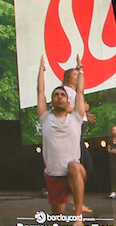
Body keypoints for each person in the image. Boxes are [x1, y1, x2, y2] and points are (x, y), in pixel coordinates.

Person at [38, 69, 91, 218]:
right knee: (58, 218)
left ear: (68, 102)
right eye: (56, 95)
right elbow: (40, 91)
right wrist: (41, 71)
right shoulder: (45, 118)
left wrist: (81, 70)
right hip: (54, 174)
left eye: (63, 95)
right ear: (52, 102)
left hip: (73, 172)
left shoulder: (76, 118)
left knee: (73, 166)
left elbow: (80, 92)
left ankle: (78, 217)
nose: (59, 97)